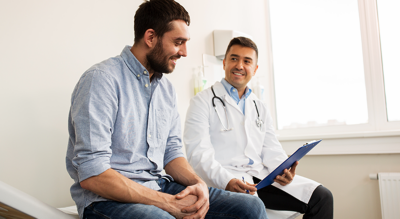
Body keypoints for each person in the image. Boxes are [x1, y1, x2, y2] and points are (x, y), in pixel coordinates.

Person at [65, 1, 268, 219]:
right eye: (178, 42)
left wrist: (198, 184)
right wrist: (166, 203)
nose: (185, 52)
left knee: (250, 208)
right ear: (150, 37)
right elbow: (93, 174)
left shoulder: (166, 90)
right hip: (105, 201)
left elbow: (171, 152)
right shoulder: (101, 80)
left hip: (159, 185)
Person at [184, 37, 334, 219]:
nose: (239, 65)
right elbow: (198, 155)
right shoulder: (201, 102)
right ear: (224, 63)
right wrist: (227, 181)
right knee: (251, 206)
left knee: (322, 197)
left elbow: (271, 148)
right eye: (234, 58)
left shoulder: (259, 106)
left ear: (254, 69)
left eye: (247, 61)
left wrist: (284, 171)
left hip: (260, 179)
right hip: (224, 181)